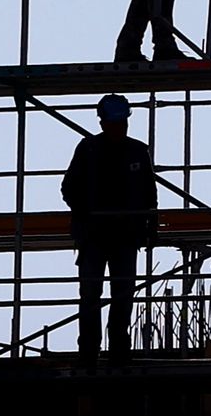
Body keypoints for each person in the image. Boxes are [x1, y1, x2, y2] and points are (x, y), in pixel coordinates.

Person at [61, 93, 158, 365]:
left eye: (122, 123)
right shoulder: (89, 149)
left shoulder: (137, 151)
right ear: (103, 123)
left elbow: (150, 194)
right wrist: (89, 216)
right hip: (94, 236)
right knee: (91, 294)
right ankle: (89, 351)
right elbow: (69, 188)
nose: (119, 128)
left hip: (125, 236)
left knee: (123, 295)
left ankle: (118, 350)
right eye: (115, 123)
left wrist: (149, 224)